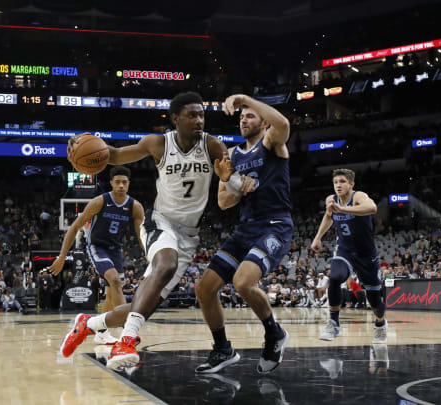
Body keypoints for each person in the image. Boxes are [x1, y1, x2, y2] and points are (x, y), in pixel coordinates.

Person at [57, 92, 231, 370]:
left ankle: (87, 324)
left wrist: (229, 180)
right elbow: (112, 154)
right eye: (192, 115)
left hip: (189, 235)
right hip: (160, 221)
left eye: (202, 115)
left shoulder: (212, 145)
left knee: (143, 305)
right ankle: (126, 342)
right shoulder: (159, 143)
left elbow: (229, 187)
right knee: (166, 264)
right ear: (175, 119)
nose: (199, 120)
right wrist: (83, 146)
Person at [194, 94, 292, 374]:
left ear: (262, 122)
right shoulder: (233, 155)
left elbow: (283, 123)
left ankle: (274, 334)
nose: (244, 120)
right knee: (204, 289)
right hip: (247, 228)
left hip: (275, 225)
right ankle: (223, 349)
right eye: (241, 116)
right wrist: (234, 183)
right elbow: (224, 202)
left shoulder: (272, 142)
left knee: (243, 282)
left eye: (250, 116)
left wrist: (245, 99)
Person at [50, 166, 145, 345]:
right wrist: (62, 256)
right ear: (111, 183)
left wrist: (149, 254)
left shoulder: (135, 207)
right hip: (97, 246)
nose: (121, 186)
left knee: (111, 293)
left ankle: (101, 332)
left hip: (115, 250)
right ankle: (128, 333)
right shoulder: (99, 201)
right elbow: (74, 227)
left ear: (129, 184)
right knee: (116, 281)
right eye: (117, 182)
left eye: (124, 182)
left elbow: (141, 236)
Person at [312, 169, 387, 343]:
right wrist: (318, 237)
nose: (338, 185)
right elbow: (329, 216)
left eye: (342, 182)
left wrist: (344, 209)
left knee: (375, 300)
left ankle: (380, 324)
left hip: (366, 253)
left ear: (351, 184)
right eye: (335, 182)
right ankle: (334, 323)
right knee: (336, 277)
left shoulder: (359, 196)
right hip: (344, 249)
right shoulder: (331, 200)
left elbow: (372, 207)